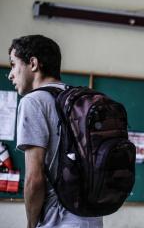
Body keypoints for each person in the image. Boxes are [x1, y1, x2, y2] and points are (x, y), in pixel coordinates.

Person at [7, 35, 103, 228]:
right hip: (92, 219)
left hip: (58, 221)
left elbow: (35, 178)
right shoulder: (80, 100)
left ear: (33, 63)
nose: (10, 74)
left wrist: (31, 225)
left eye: (13, 64)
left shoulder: (34, 102)